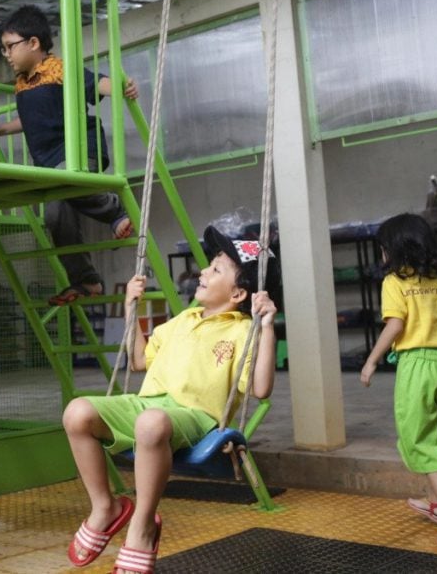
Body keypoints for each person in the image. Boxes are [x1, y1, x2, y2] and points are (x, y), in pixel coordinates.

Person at [62, 226, 279, 573]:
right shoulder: (182, 320)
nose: (204, 272)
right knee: (77, 412)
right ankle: (106, 507)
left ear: (238, 293)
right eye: (208, 266)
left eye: (216, 269)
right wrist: (130, 310)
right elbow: (138, 361)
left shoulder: (241, 331)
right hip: (148, 404)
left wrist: (266, 325)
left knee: (150, 424)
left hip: (193, 416)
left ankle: (143, 526)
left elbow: (261, 388)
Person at [0, 5, 138, 306]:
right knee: (55, 218)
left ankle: (115, 210)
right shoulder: (22, 83)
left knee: (69, 181)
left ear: (33, 43)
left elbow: (96, 82)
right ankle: (86, 280)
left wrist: (123, 87)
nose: (6, 54)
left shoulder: (57, 69)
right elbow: (32, 120)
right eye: (3, 48)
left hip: (80, 151)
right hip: (49, 163)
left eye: (10, 47)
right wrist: (3, 128)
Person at [360, 212, 437, 548]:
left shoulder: (395, 283)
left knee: (418, 440)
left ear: (395, 250)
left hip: (418, 365)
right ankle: (436, 502)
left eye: (383, 249)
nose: (382, 255)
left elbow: (395, 326)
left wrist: (372, 360)